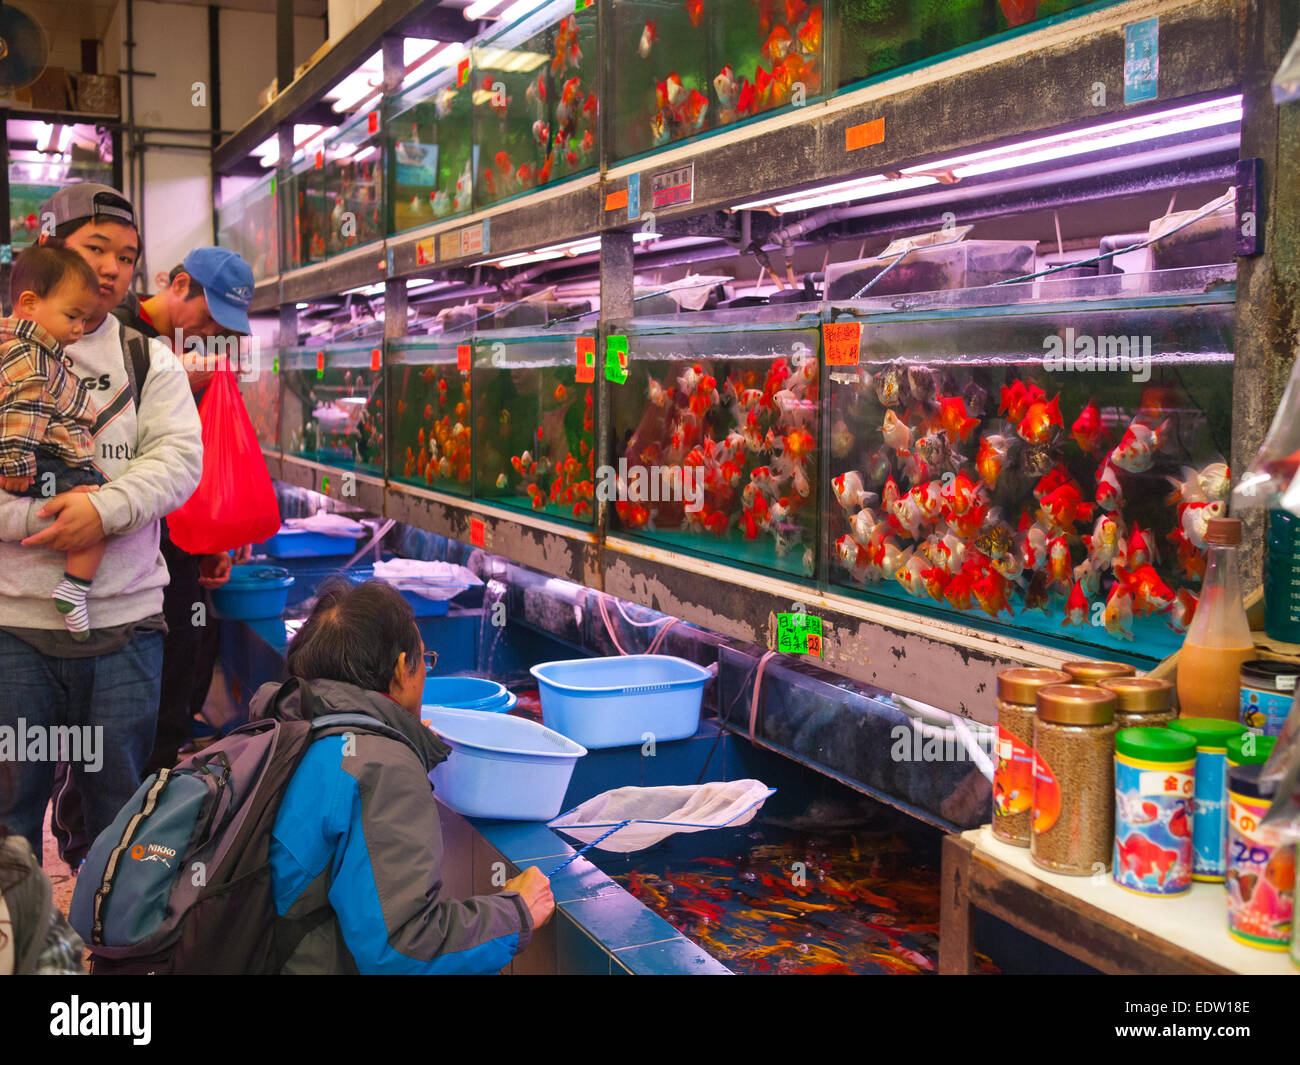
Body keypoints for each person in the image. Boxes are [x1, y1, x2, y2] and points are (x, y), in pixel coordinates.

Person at [0, 182, 203, 864]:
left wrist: (101, 509)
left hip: (124, 627)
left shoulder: (151, 361)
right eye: (96, 249)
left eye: (127, 255)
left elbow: (178, 462)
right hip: (14, 628)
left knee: (121, 810)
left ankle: (113, 951)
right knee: (9, 814)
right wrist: (42, 517)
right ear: (47, 245)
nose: (114, 269)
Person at [256, 578, 554, 974]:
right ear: (401, 669)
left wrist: (403, 745)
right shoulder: (380, 766)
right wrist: (516, 914)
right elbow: (402, 950)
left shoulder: (286, 725)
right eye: (424, 661)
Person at [112, 247, 257, 775]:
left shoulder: (195, 356)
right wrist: (169, 382)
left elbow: (200, 457)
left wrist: (212, 538)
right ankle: (95, 831)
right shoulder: (116, 329)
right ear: (177, 285)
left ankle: (156, 800)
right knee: (121, 697)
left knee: (177, 671)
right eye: (210, 316)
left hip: (178, 545)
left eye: (225, 325)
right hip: (119, 546)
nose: (212, 332)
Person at [0, 243, 108, 638]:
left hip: (40, 457)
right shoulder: (29, 355)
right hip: (42, 459)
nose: (80, 328)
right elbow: (22, 408)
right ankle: (74, 589)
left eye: (84, 318)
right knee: (103, 508)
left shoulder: (34, 349)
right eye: (72, 316)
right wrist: (14, 465)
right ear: (29, 303)